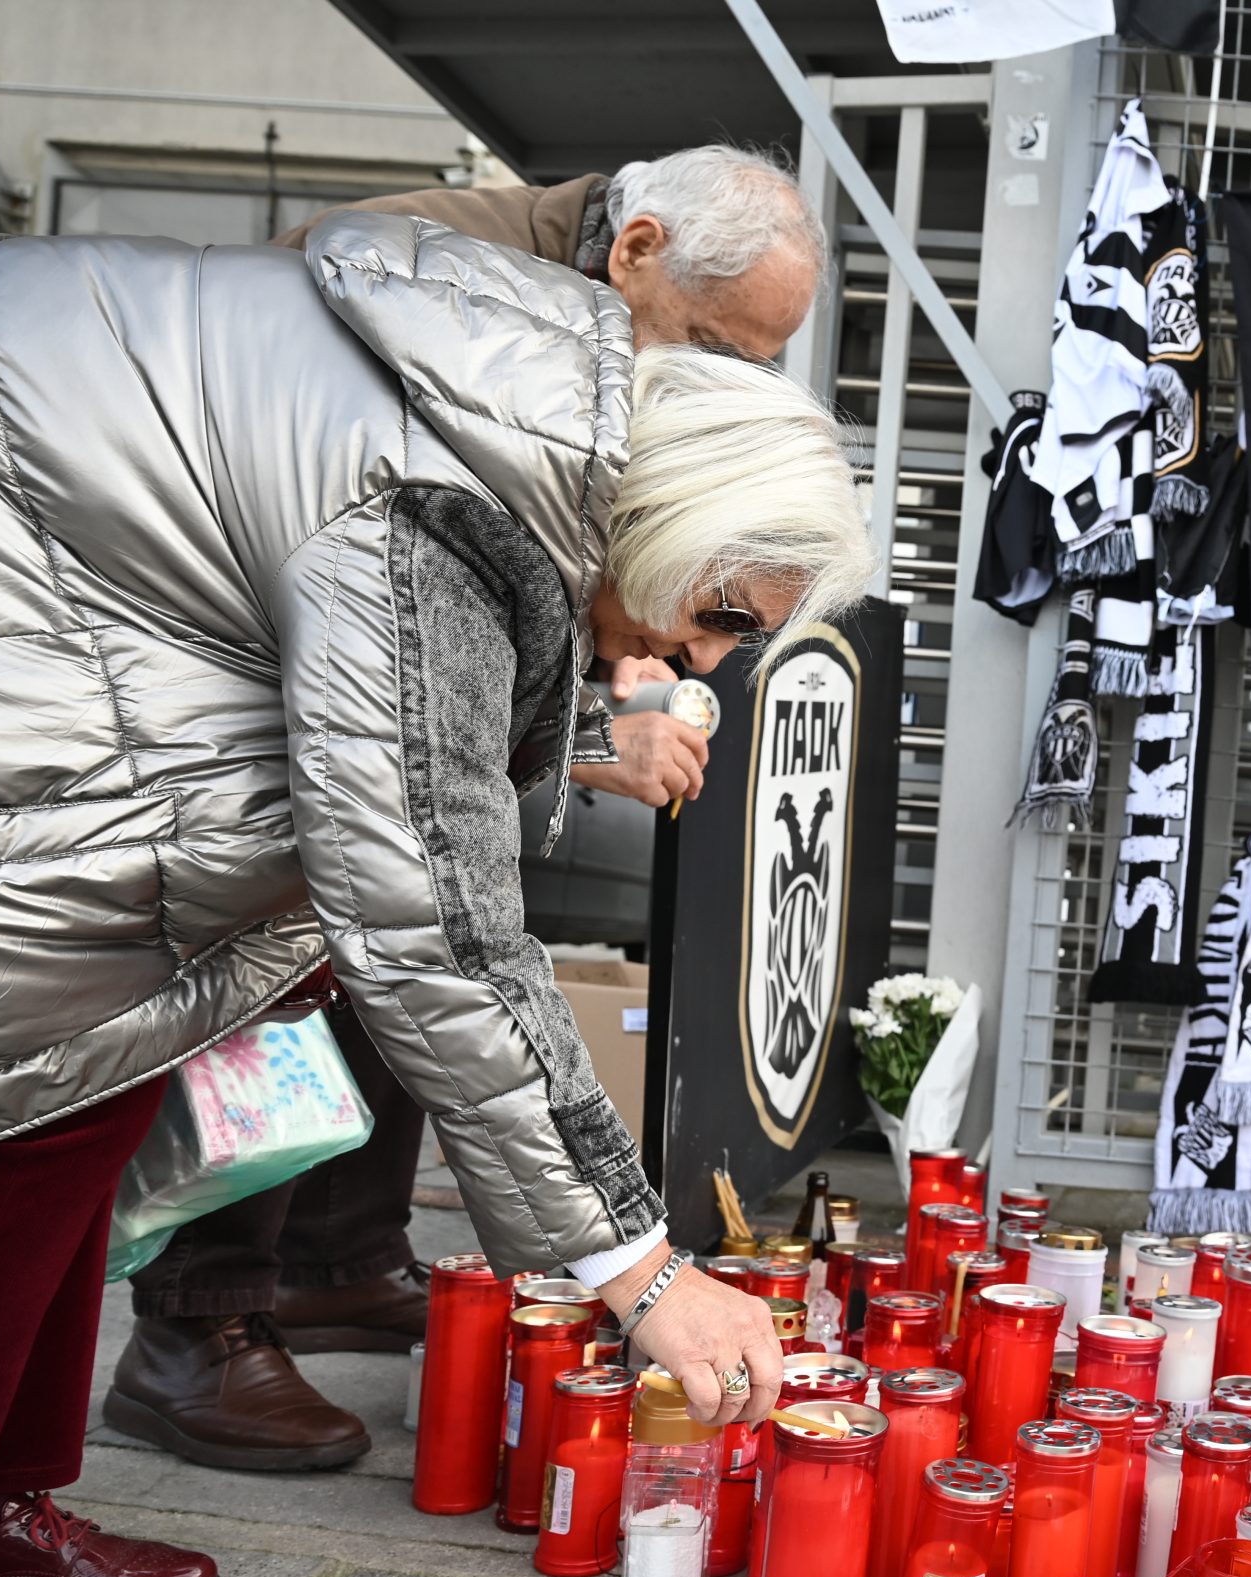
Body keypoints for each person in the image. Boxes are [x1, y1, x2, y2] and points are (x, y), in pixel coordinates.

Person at [0, 212, 870, 1577]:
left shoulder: (526, 423)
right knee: (20, 1072)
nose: (704, 662)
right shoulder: (454, 498)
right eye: (717, 617)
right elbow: (434, 909)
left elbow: (418, 706)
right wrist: (640, 1270)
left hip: (48, 584)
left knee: (89, 1074)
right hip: (7, 608)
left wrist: (571, 722)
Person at [108, 143, 827, 1474]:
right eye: (718, 351)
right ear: (637, 252)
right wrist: (638, 1266)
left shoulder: (568, 337)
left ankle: (334, 1259)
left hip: (266, 672)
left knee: (413, 909)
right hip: (197, 688)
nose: (723, 391)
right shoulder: (458, 313)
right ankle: (196, 1320)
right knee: (365, 921)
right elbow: (407, 667)